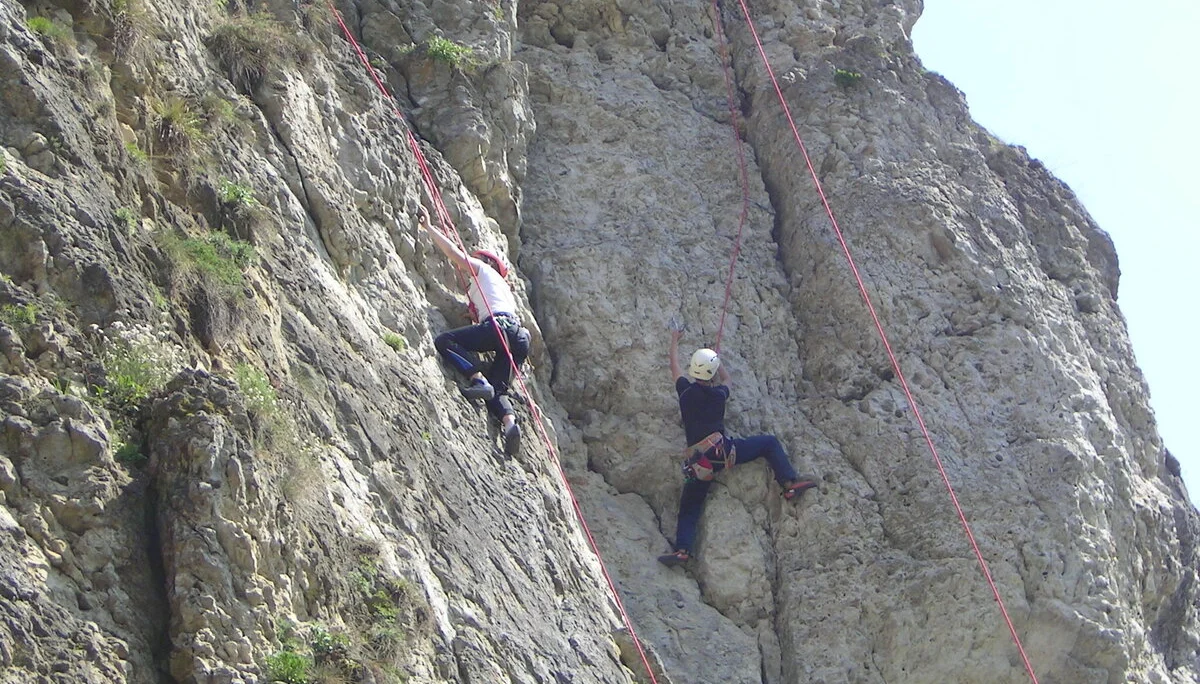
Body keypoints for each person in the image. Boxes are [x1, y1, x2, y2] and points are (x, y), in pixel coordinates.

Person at [658, 327, 818, 566]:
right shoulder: (719, 395)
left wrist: (674, 341)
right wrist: (718, 361)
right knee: (769, 443)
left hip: (700, 464)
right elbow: (727, 380)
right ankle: (789, 484)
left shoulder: (685, 393)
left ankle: (683, 549)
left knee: (690, 505)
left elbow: (675, 368)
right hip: (725, 453)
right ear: (711, 375)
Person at [418, 206, 530, 457]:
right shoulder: (504, 289)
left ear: (488, 263)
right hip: (519, 336)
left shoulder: (484, 271)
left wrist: (428, 227)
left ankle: (477, 379)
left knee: (445, 341)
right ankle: (510, 422)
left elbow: (452, 253)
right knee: (497, 390)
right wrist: (475, 315)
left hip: (498, 327)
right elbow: (491, 311)